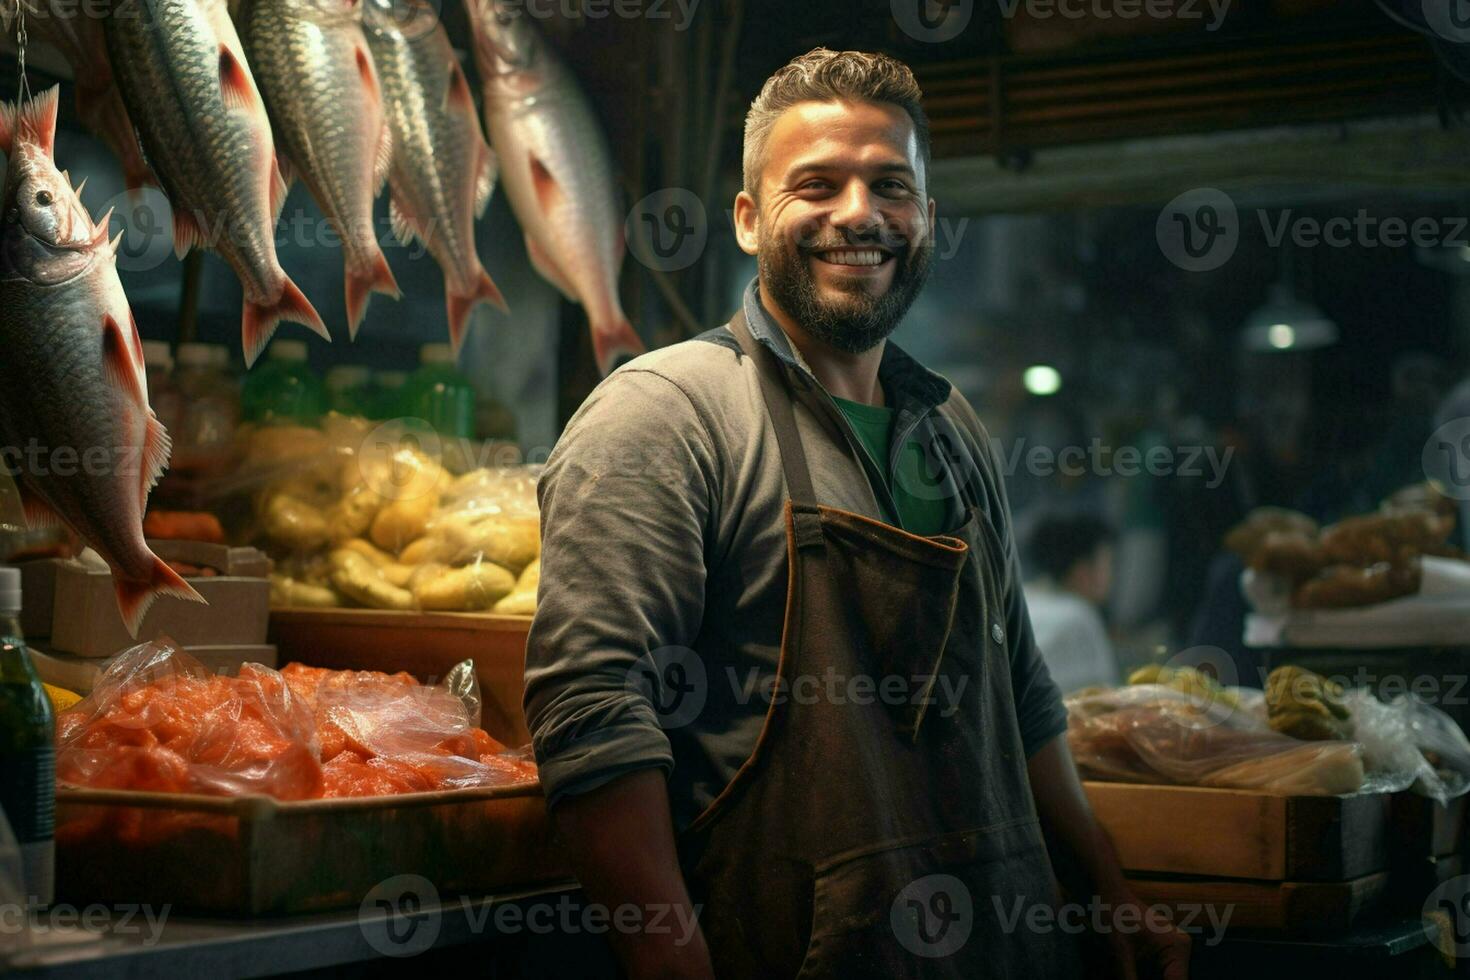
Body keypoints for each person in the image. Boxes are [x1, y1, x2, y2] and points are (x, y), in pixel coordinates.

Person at [524, 47, 1190, 979]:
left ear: (926, 218)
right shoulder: (666, 413)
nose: (859, 214)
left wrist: (1107, 893)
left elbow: (1025, 695)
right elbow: (592, 711)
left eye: (891, 185)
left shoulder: (950, 425)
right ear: (751, 220)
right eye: (817, 183)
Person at [1021, 511, 1121, 694]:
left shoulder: (1021, 597)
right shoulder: (1079, 615)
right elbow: (1106, 695)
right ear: (1082, 570)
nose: (1111, 574)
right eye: (1108, 563)